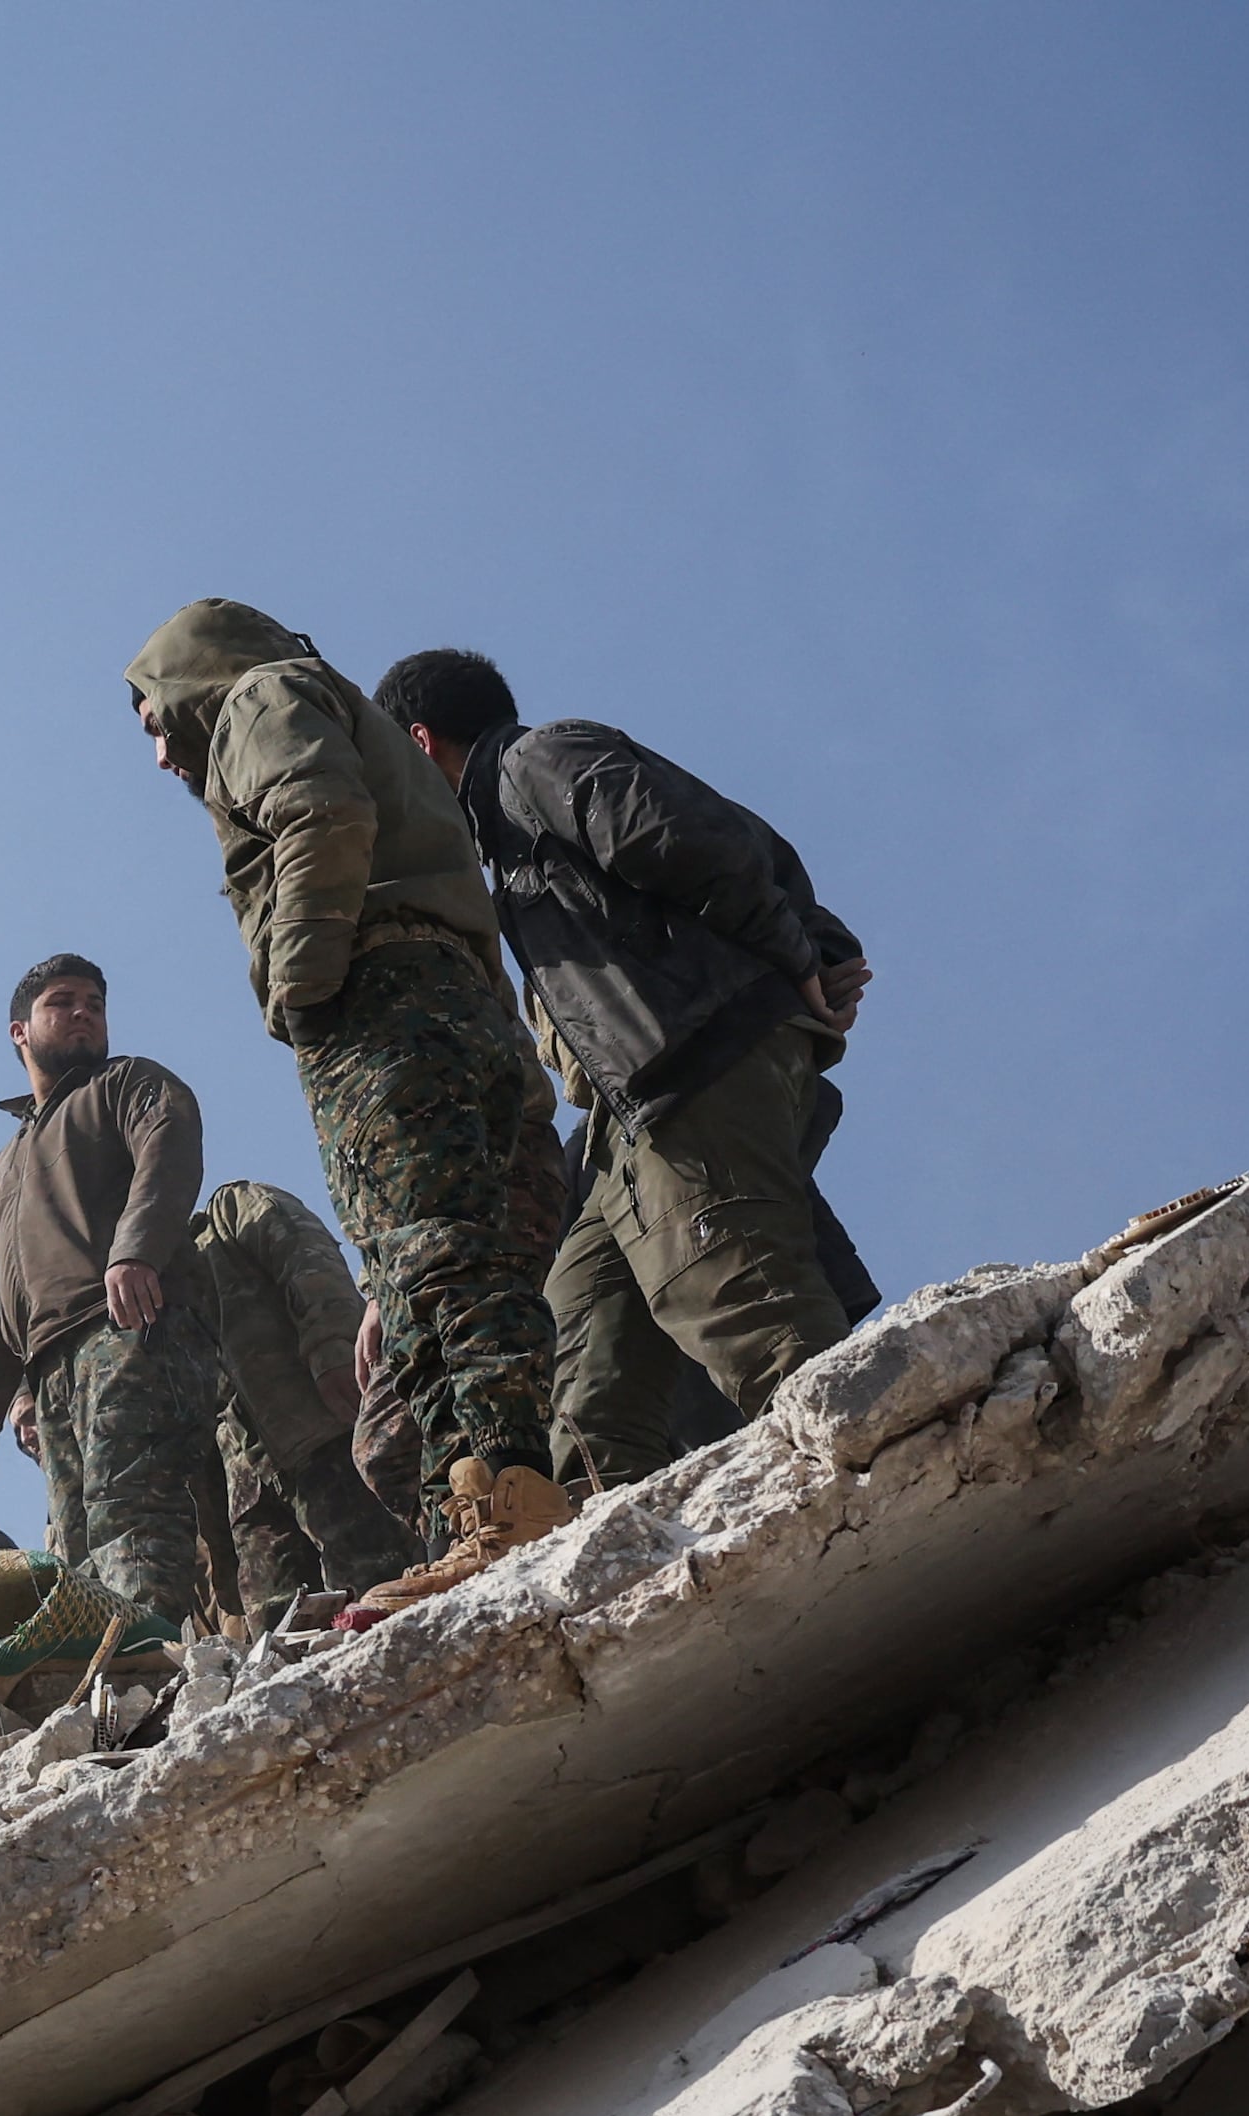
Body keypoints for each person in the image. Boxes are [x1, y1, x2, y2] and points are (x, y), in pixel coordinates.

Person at [125, 601, 573, 1616]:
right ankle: (488, 1504)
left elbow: (318, 811)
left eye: (154, 721)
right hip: (463, 1004)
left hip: (378, 1002)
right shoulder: (354, 717)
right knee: (469, 1260)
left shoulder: (255, 696)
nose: (159, 755)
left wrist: (299, 985)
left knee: (424, 1268)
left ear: (189, 676)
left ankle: (496, 1507)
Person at [373, 648, 874, 1494]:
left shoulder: (535, 763)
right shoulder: (505, 849)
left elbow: (688, 836)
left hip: (692, 1069)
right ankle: (619, 1577)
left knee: (755, 1311)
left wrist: (802, 956)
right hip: (632, 1118)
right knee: (579, 1369)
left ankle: (894, 1481)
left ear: (419, 743)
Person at [0, 954, 223, 1625]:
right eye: (63, 1002)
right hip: (50, 1371)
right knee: (76, 1549)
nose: (83, 1013)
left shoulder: (128, 1083)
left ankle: (149, 1665)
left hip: (131, 1326)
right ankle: (117, 1691)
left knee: (131, 1511)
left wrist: (136, 1250)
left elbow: (170, 1141)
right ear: (20, 1031)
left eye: (94, 1004)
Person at [186, 1179, 412, 1605]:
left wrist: (334, 1349)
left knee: (382, 1592)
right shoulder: (149, 1303)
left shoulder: (229, 1212)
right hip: (251, 1500)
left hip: (326, 1438)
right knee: (281, 1644)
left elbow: (307, 1259)